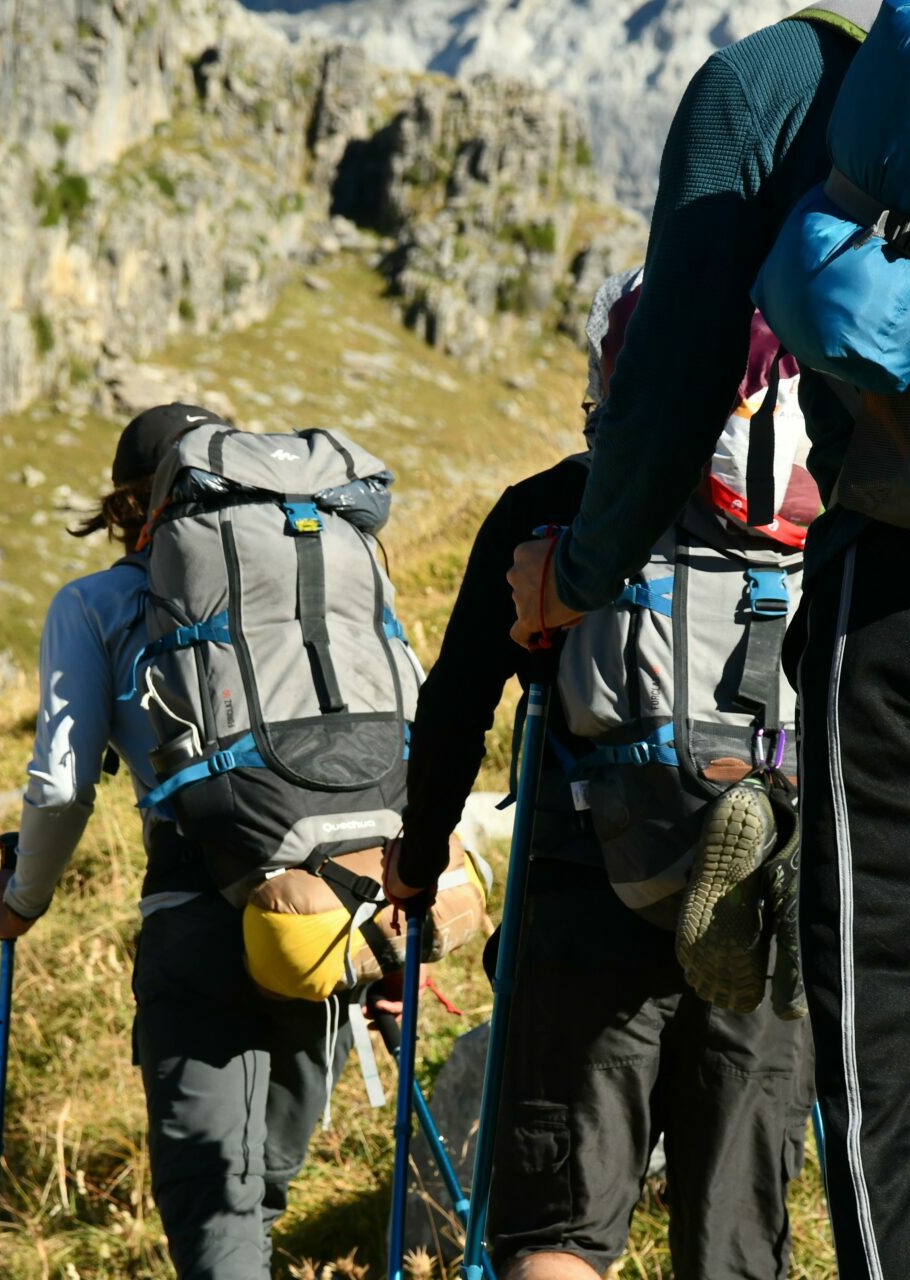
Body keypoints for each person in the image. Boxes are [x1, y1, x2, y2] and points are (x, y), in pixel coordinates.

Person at [500, 8, 904, 1275]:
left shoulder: (771, 81)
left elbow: (676, 366)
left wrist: (572, 572)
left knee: (887, 1060)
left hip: (891, 585)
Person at [384, 280, 814, 1278]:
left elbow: (453, 706)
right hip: (770, 910)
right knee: (735, 1245)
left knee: (561, 1232)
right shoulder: (822, 514)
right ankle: (739, 818)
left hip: (586, 888)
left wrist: (415, 862)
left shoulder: (553, 511)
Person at [0, 403, 351, 1280]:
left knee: (213, 1207)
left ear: (123, 508)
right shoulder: (305, 573)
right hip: (327, 910)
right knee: (257, 1191)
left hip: (199, 910)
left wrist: (20, 902)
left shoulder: (98, 603)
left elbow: (63, 783)